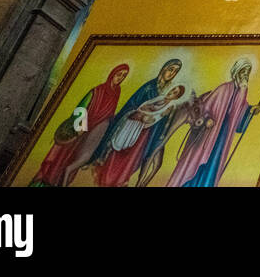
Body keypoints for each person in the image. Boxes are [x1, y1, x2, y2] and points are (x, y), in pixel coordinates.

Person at [72, 58, 182, 186]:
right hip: (131, 125)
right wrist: (138, 114)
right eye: (171, 70)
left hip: (145, 134)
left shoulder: (168, 92)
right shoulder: (149, 87)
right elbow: (132, 105)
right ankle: (106, 178)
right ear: (164, 69)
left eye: (175, 72)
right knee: (118, 153)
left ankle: (121, 181)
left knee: (131, 160)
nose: (172, 74)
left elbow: (163, 117)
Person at [167, 57, 260, 187]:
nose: (245, 75)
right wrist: (207, 120)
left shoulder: (240, 95)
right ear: (237, 71)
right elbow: (203, 108)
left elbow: (239, 113)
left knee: (213, 165)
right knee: (197, 163)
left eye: (248, 72)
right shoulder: (223, 89)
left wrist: (250, 111)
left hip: (222, 138)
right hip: (208, 135)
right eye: (243, 71)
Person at [29, 63, 127, 187]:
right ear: (112, 74)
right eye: (119, 74)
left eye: (124, 76)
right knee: (59, 161)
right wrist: (80, 128)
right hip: (80, 132)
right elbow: (80, 109)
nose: (121, 78)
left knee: (75, 162)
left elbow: (109, 113)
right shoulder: (97, 91)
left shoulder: (116, 92)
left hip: (91, 134)